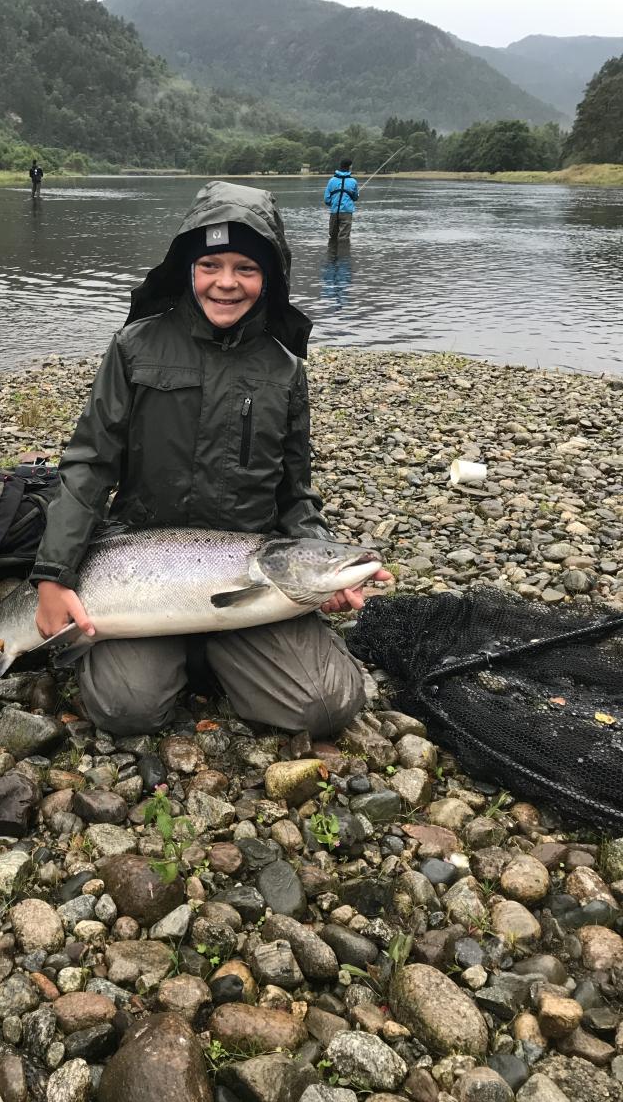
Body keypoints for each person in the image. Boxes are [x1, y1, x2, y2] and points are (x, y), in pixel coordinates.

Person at [29, 180, 391, 737]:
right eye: (211, 265)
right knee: (127, 710)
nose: (227, 282)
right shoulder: (135, 347)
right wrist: (53, 575)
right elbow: (88, 466)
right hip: (141, 559)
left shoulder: (285, 369)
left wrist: (324, 571)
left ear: (269, 277)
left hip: (250, 565)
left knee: (322, 708)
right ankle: (199, 649)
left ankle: (204, 645)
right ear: (187, 269)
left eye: (246, 267)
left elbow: (295, 491)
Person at [323, 158, 359, 242]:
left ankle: (332, 253)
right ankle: (343, 253)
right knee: (344, 237)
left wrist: (333, 204)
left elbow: (326, 199)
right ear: (349, 167)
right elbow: (355, 197)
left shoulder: (331, 181)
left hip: (334, 212)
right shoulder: (353, 181)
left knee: (333, 236)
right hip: (346, 212)